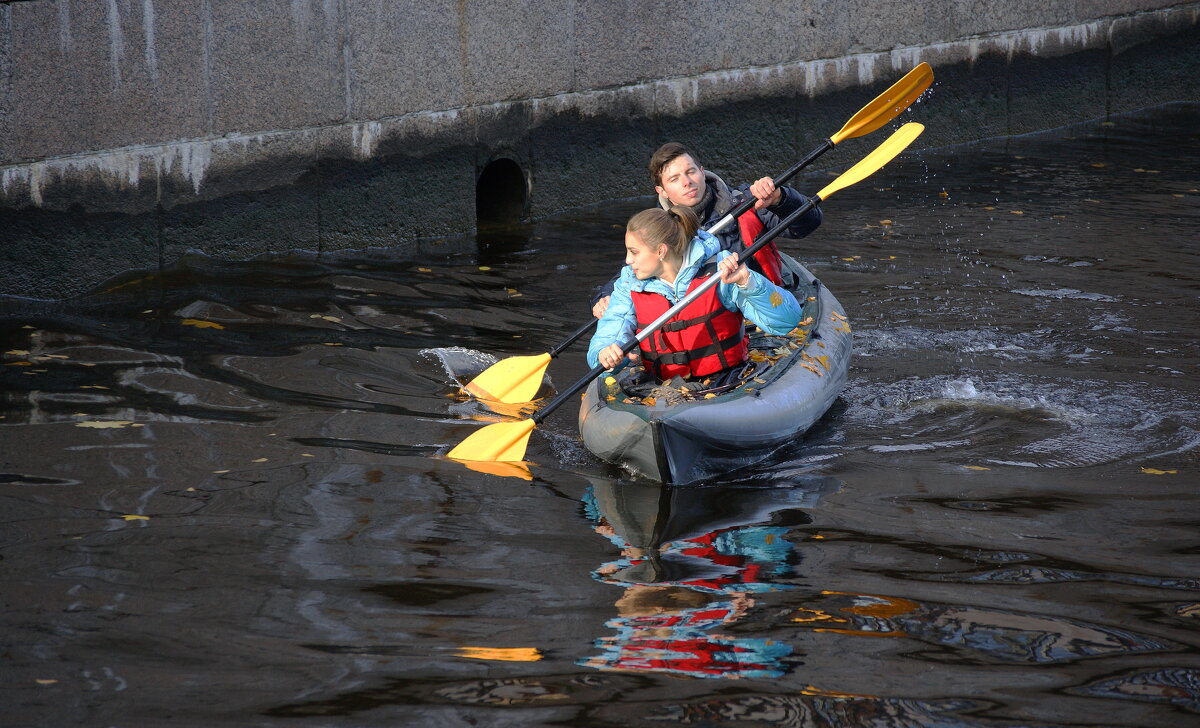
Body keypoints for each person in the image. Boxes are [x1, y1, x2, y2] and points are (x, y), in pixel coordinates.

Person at [591, 142, 822, 318]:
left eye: (690, 172)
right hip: (707, 320)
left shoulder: (747, 202)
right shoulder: (656, 230)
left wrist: (781, 199)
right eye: (674, 179)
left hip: (762, 306)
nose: (687, 182)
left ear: (702, 172)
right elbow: (632, 270)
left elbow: (807, 224)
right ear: (662, 191)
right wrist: (604, 296)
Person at [587, 205, 803, 383]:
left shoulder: (721, 270)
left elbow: (786, 322)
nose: (628, 260)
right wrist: (604, 353)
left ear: (661, 251)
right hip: (663, 387)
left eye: (634, 252)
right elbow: (612, 329)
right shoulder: (629, 285)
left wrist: (749, 282)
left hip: (728, 378)